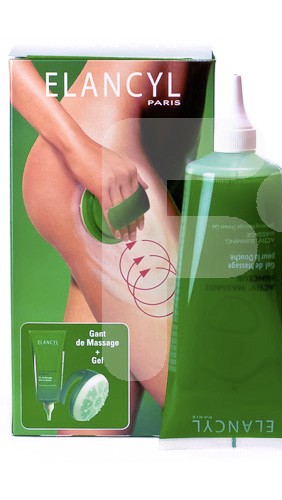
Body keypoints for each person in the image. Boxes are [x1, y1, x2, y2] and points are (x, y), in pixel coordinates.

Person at [11, 58, 211, 433]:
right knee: (214, 400)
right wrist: (80, 152)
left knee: (92, 430)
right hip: (103, 176)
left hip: (137, 171)